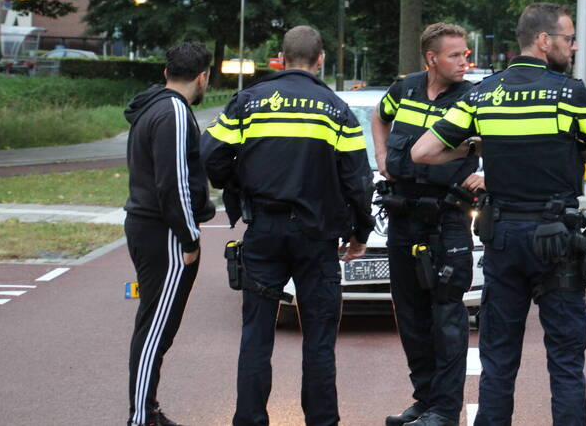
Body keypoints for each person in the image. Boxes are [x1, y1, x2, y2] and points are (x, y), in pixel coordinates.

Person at [412, 2, 586, 426]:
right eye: (568, 38)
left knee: (499, 356)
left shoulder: (484, 93)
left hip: (504, 234)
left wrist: (481, 145)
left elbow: (423, 151)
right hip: (558, 239)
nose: (573, 46)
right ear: (545, 41)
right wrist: (561, 148)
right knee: (564, 359)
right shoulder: (570, 94)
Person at [201, 26, 374, 426]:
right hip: (317, 236)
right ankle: (322, 420)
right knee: (318, 339)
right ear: (321, 60)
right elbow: (358, 179)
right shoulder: (335, 108)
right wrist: (359, 231)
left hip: (264, 231)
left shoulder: (248, 102)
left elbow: (211, 155)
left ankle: (249, 419)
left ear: (279, 57)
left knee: (257, 336)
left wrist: (241, 185)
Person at [371, 23, 484, 426]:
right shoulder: (405, 89)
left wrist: (488, 176)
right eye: (455, 55)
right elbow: (378, 116)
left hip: (448, 219)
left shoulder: (474, 98)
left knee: (447, 318)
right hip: (403, 217)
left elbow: (506, 143)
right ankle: (424, 401)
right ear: (431, 58)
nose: (464, 61)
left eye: (466, 54)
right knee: (411, 315)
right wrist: (382, 157)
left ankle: (444, 410)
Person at [124, 42, 217, 426]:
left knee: (155, 323)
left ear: (166, 72)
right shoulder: (175, 113)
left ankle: (149, 409)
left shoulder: (152, 107)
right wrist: (190, 238)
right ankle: (141, 416)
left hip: (147, 226)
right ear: (202, 77)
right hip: (165, 233)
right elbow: (173, 183)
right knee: (155, 328)